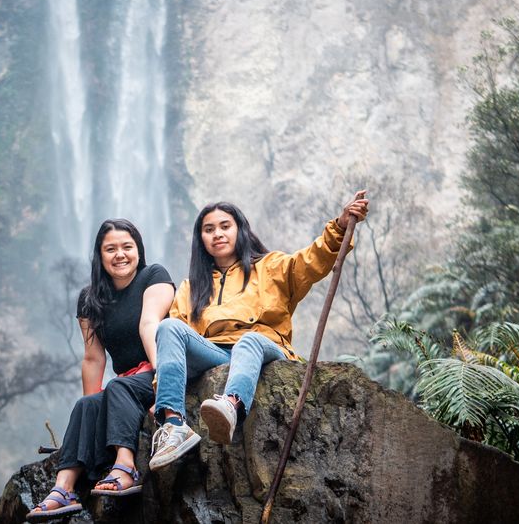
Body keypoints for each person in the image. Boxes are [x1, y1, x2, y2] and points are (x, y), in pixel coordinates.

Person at [147, 191, 368, 470]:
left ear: (240, 230)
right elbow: (172, 344)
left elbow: (312, 261)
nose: (217, 234)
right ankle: (174, 425)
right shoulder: (192, 287)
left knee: (249, 340)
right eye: (209, 229)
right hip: (214, 353)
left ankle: (231, 404)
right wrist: (160, 394)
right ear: (200, 240)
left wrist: (339, 225)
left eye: (225, 226)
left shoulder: (271, 267)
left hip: (263, 346)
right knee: (168, 326)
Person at [28, 219, 176, 519]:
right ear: (100, 255)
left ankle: (125, 467)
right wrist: (96, 411)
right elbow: (93, 358)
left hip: (163, 369)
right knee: (87, 404)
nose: (119, 254)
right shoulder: (90, 298)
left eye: (127, 247)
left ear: (139, 250)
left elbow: (151, 324)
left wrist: (163, 379)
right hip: (128, 385)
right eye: (111, 249)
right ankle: (63, 488)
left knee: (117, 388)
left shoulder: (154, 276)